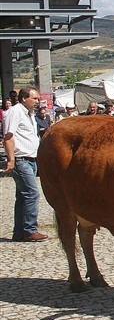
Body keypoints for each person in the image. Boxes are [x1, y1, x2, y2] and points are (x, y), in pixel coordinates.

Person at [2, 87, 49, 242]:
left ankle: (19, 231)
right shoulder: (15, 112)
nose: (37, 102)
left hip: (31, 159)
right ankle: (29, 229)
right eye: (34, 99)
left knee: (22, 196)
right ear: (24, 99)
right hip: (21, 159)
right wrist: (11, 159)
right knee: (32, 193)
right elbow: (8, 136)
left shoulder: (30, 114)